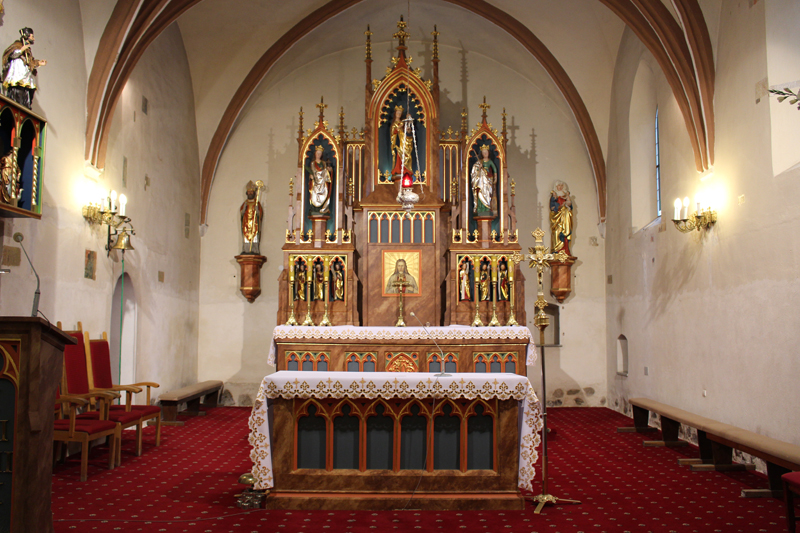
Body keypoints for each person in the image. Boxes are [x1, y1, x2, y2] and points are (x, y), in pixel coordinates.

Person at [2, 28, 46, 109]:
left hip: (26, 77)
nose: (34, 39)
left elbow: (30, 62)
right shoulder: (18, 45)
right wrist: (22, 49)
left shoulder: (28, 50)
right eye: (32, 36)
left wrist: (39, 63)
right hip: (18, 76)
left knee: (26, 98)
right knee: (17, 96)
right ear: (26, 36)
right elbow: (12, 55)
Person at [471, 144, 497, 215]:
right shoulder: (480, 161)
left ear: (488, 153)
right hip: (481, 180)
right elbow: (475, 171)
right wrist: (479, 168)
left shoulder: (490, 161)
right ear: (482, 154)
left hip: (488, 179)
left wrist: (495, 178)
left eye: (486, 152)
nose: (485, 154)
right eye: (483, 152)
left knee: (487, 193)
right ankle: (480, 208)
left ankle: (487, 207)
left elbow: (494, 169)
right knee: (480, 192)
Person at [390, 105, 414, 181]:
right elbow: (393, 133)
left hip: (404, 141)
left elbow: (406, 132)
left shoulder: (402, 122)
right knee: (399, 155)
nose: (399, 114)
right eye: (398, 113)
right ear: (395, 113)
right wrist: (399, 127)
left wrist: (408, 128)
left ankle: (406, 170)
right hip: (398, 141)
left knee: (407, 154)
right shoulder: (394, 123)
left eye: (400, 113)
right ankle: (398, 169)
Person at [549, 180, 573, 255]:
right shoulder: (554, 196)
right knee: (557, 232)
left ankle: (565, 250)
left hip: (565, 217)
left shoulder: (565, 195)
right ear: (556, 187)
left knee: (565, 231)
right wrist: (558, 207)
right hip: (557, 218)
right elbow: (552, 207)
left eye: (561, 185)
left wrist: (566, 204)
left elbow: (570, 207)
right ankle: (556, 250)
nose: (560, 187)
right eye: (559, 185)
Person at [306, 144, 332, 215]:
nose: (318, 155)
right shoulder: (312, 163)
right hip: (315, 182)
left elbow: (325, 171)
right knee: (314, 194)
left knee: (325, 192)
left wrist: (329, 170)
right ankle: (314, 208)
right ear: (315, 154)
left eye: (320, 154)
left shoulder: (323, 163)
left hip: (323, 182)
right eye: (317, 153)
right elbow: (312, 172)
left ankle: (323, 208)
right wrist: (311, 176)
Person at [239, 181, 263, 254]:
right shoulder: (245, 203)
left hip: (254, 223)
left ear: (254, 193)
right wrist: (243, 210)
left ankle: (254, 250)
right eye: (249, 192)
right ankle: (246, 250)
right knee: (246, 236)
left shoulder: (256, 203)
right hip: (246, 223)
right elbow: (242, 212)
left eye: (251, 192)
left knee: (254, 236)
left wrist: (257, 210)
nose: (250, 193)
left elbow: (260, 213)